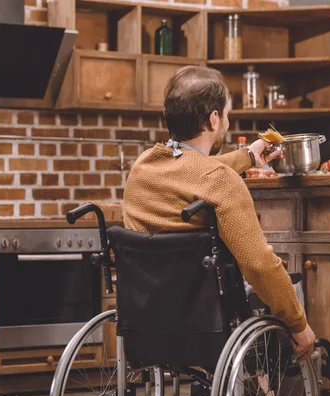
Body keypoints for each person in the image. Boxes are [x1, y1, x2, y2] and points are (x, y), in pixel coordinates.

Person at [122, 66, 316, 361]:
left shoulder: (144, 166)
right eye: (226, 113)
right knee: (286, 285)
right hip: (204, 321)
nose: (226, 120)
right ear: (214, 119)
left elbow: (191, 169)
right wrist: (300, 325)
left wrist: (248, 156)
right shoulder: (220, 181)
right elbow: (259, 266)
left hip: (148, 316)